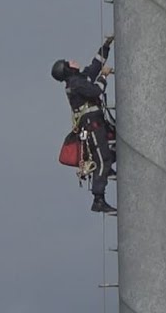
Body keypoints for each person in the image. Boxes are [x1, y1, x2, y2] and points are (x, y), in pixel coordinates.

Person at [52, 35, 117, 213]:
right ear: (67, 70)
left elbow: (95, 65)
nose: (72, 61)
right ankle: (98, 199)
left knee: (113, 146)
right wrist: (104, 77)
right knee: (102, 160)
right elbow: (96, 90)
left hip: (96, 123)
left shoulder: (79, 79)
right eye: (68, 63)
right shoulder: (76, 84)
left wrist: (107, 45)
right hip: (92, 126)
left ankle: (106, 170)